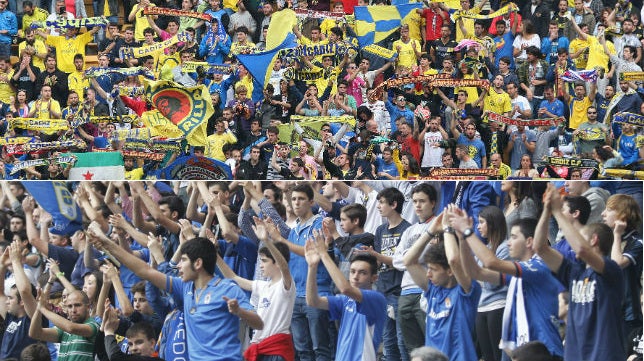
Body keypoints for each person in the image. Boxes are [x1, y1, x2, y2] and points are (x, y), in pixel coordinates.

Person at [88, 223, 263, 360]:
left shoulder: (228, 288)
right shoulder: (184, 287)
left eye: (183, 260)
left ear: (198, 263)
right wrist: (107, 244)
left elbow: (259, 324)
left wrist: (240, 312)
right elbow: (145, 271)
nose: (178, 265)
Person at [449, 212, 563, 359]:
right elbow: (475, 272)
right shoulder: (520, 274)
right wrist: (462, 239)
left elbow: (491, 262)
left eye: (514, 237)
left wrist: (467, 231)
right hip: (523, 350)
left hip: (545, 352)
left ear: (529, 242)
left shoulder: (539, 266)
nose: (509, 242)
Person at [533, 184, 625, 361]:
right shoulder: (574, 272)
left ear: (594, 240)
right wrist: (547, 210)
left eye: (579, 236)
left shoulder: (611, 270)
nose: (572, 241)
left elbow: (582, 250)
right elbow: (540, 247)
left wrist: (558, 212)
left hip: (604, 355)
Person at [404, 208, 481, 360]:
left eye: (433, 269)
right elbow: (409, 261)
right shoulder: (432, 289)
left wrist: (448, 229)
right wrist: (431, 230)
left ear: (450, 271)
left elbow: (453, 259)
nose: (428, 273)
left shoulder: (466, 290)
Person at [217, 218, 296, 361]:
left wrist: (266, 240)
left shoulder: (286, 284)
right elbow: (233, 277)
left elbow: (284, 266)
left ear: (276, 263)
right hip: (259, 347)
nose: (260, 265)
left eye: (264, 261)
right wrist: (214, 256)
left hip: (277, 349)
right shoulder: (262, 285)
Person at [305, 232, 387, 361]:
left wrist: (324, 254)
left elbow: (345, 288)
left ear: (374, 278)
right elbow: (312, 301)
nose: (355, 276)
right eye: (352, 271)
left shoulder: (376, 299)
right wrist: (312, 266)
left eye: (362, 273)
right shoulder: (345, 300)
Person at [604, 194, 643, 348]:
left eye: (608, 209)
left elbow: (617, 264)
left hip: (630, 315)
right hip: (610, 312)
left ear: (622, 216)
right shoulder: (609, 241)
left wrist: (617, 234)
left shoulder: (638, 242)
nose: (603, 214)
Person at [29, 289, 99, 361]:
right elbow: (35, 333)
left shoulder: (93, 325)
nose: (73, 310)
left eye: (77, 305)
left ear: (88, 307)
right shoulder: (64, 330)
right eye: (70, 306)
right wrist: (38, 308)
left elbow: (71, 328)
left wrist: (42, 309)